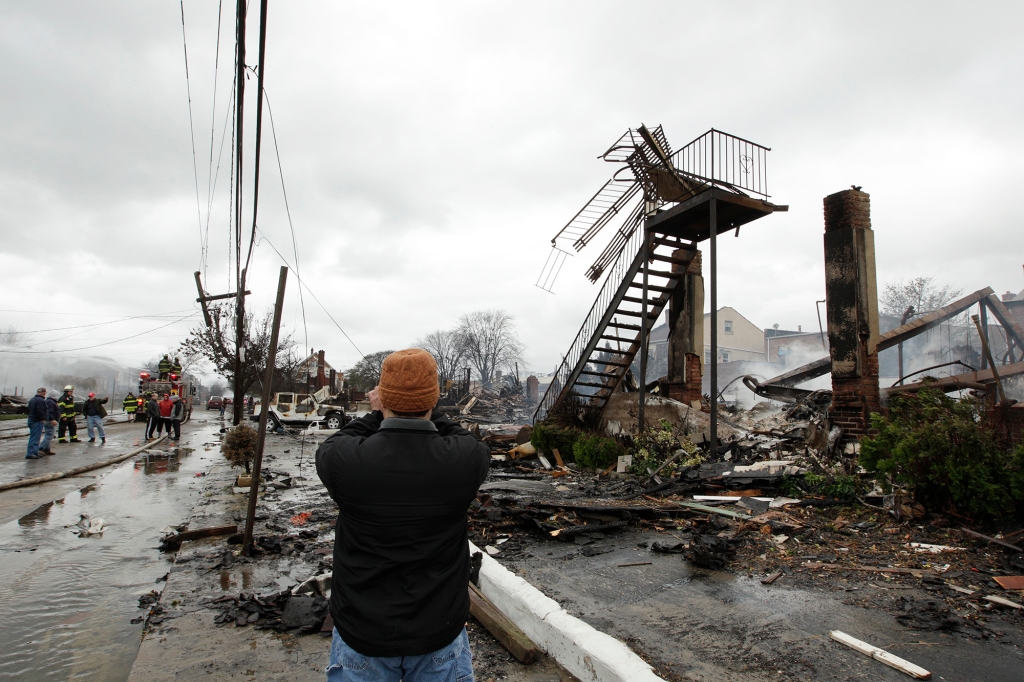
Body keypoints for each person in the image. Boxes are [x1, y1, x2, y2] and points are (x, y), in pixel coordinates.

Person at [315, 349, 490, 682]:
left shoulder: (343, 460)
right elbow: (463, 435)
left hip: (363, 633)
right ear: (434, 399)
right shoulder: (465, 460)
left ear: (383, 398)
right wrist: (424, 407)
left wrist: (380, 411)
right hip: (439, 631)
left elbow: (340, 439)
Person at [25, 387, 48, 459]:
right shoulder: (41, 400)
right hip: (37, 421)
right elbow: (39, 410)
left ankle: (35, 452)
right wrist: (42, 418)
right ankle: (31, 453)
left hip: (31, 419)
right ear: (44, 393)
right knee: (35, 438)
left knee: (35, 437)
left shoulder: (32, 399)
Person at [40, 390, 60, 456]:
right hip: (50, 421)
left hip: (49, 420)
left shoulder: (50, 401)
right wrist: (52, 419)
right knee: (49, 435)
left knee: (48, 435)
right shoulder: (51, 402)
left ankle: (47, 449)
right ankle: (41, 448)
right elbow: (49, 412)